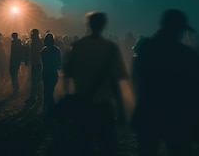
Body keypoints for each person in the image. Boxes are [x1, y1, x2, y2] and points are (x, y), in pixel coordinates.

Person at [132, 9, 199, 156]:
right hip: (177, 117)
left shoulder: (146, 47)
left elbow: (137, 78)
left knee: (147, 151)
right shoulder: (186, 55)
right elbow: (193, 90)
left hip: (148, 112)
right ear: (179, 29)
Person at [63, 12, 127, 156]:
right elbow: (114, 81)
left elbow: (68, 75)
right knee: (108, 148)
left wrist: (69, 99)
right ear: (104, 25)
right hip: (104, 107)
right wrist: (121, 109)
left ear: (88, 25)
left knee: (84, 146)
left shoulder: (77, 47)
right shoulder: (111, 48)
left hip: (82, 104)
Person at [40, 32, 61, 113]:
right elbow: (59, 63)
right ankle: (49, 109)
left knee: (48, 92)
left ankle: (48, 108)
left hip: (48, 73)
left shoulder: (43, 51)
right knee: (48, 92)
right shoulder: (56, 50)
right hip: (50, 73)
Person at [28, 29, 44, 103]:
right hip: (37, 63)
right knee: (36, 80)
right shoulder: (37, 41)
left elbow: (37, 52)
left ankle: (35, 96)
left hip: (36, 63)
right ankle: (37, 96)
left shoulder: (36, 42)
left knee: (35, 80)